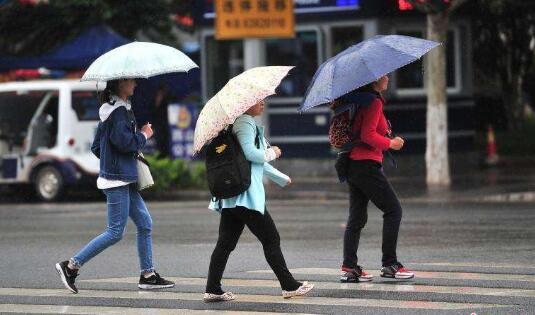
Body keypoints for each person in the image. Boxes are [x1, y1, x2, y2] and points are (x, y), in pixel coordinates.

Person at [55, 79, 174, 293]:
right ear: (120, 85)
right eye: (131, 81)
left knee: (145, 223)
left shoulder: (114, 110)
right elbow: (125, 143)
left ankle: (148, 275)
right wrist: (144, 135)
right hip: (118, 179)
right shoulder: (118, 112)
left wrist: (113, 162)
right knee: (115, 232)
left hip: (122, 176)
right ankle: (71, 266)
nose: (135, 84)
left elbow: (97, 147)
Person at [203, 99, 314, 302]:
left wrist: (281, 178)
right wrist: (273, 152)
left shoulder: (238, 123)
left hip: (233, 197)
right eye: (258, 100)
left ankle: (212, 289)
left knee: (225, 243)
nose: (263, 103)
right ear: (245, 104)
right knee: (271, 239)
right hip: (246, 196)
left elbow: (253, 163)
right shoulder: (244, 122)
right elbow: (253, 154)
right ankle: (289, 285)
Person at [340, 75, 415, 283]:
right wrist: (391, 143)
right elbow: (368, 135)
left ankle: (350, 267)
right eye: (384, 75)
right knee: (393, 210)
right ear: (374, 80)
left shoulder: (360, 100)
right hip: (365, 165)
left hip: (353, 164)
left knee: (357, 218)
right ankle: (390, 264)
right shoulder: (372, 102)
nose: (388, 78)